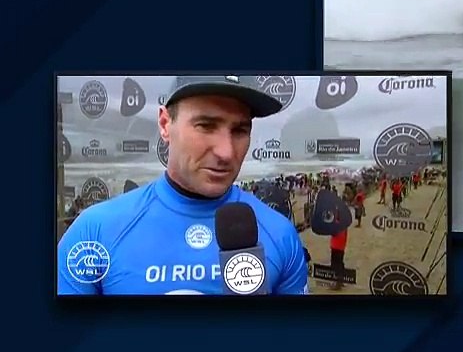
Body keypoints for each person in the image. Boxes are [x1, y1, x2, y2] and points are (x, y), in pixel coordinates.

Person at [56, 75, 310, 295]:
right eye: (206, 126)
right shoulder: (94, 231)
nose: (226, 152)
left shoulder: (280, 234)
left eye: (240, 130)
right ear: (165, 124)